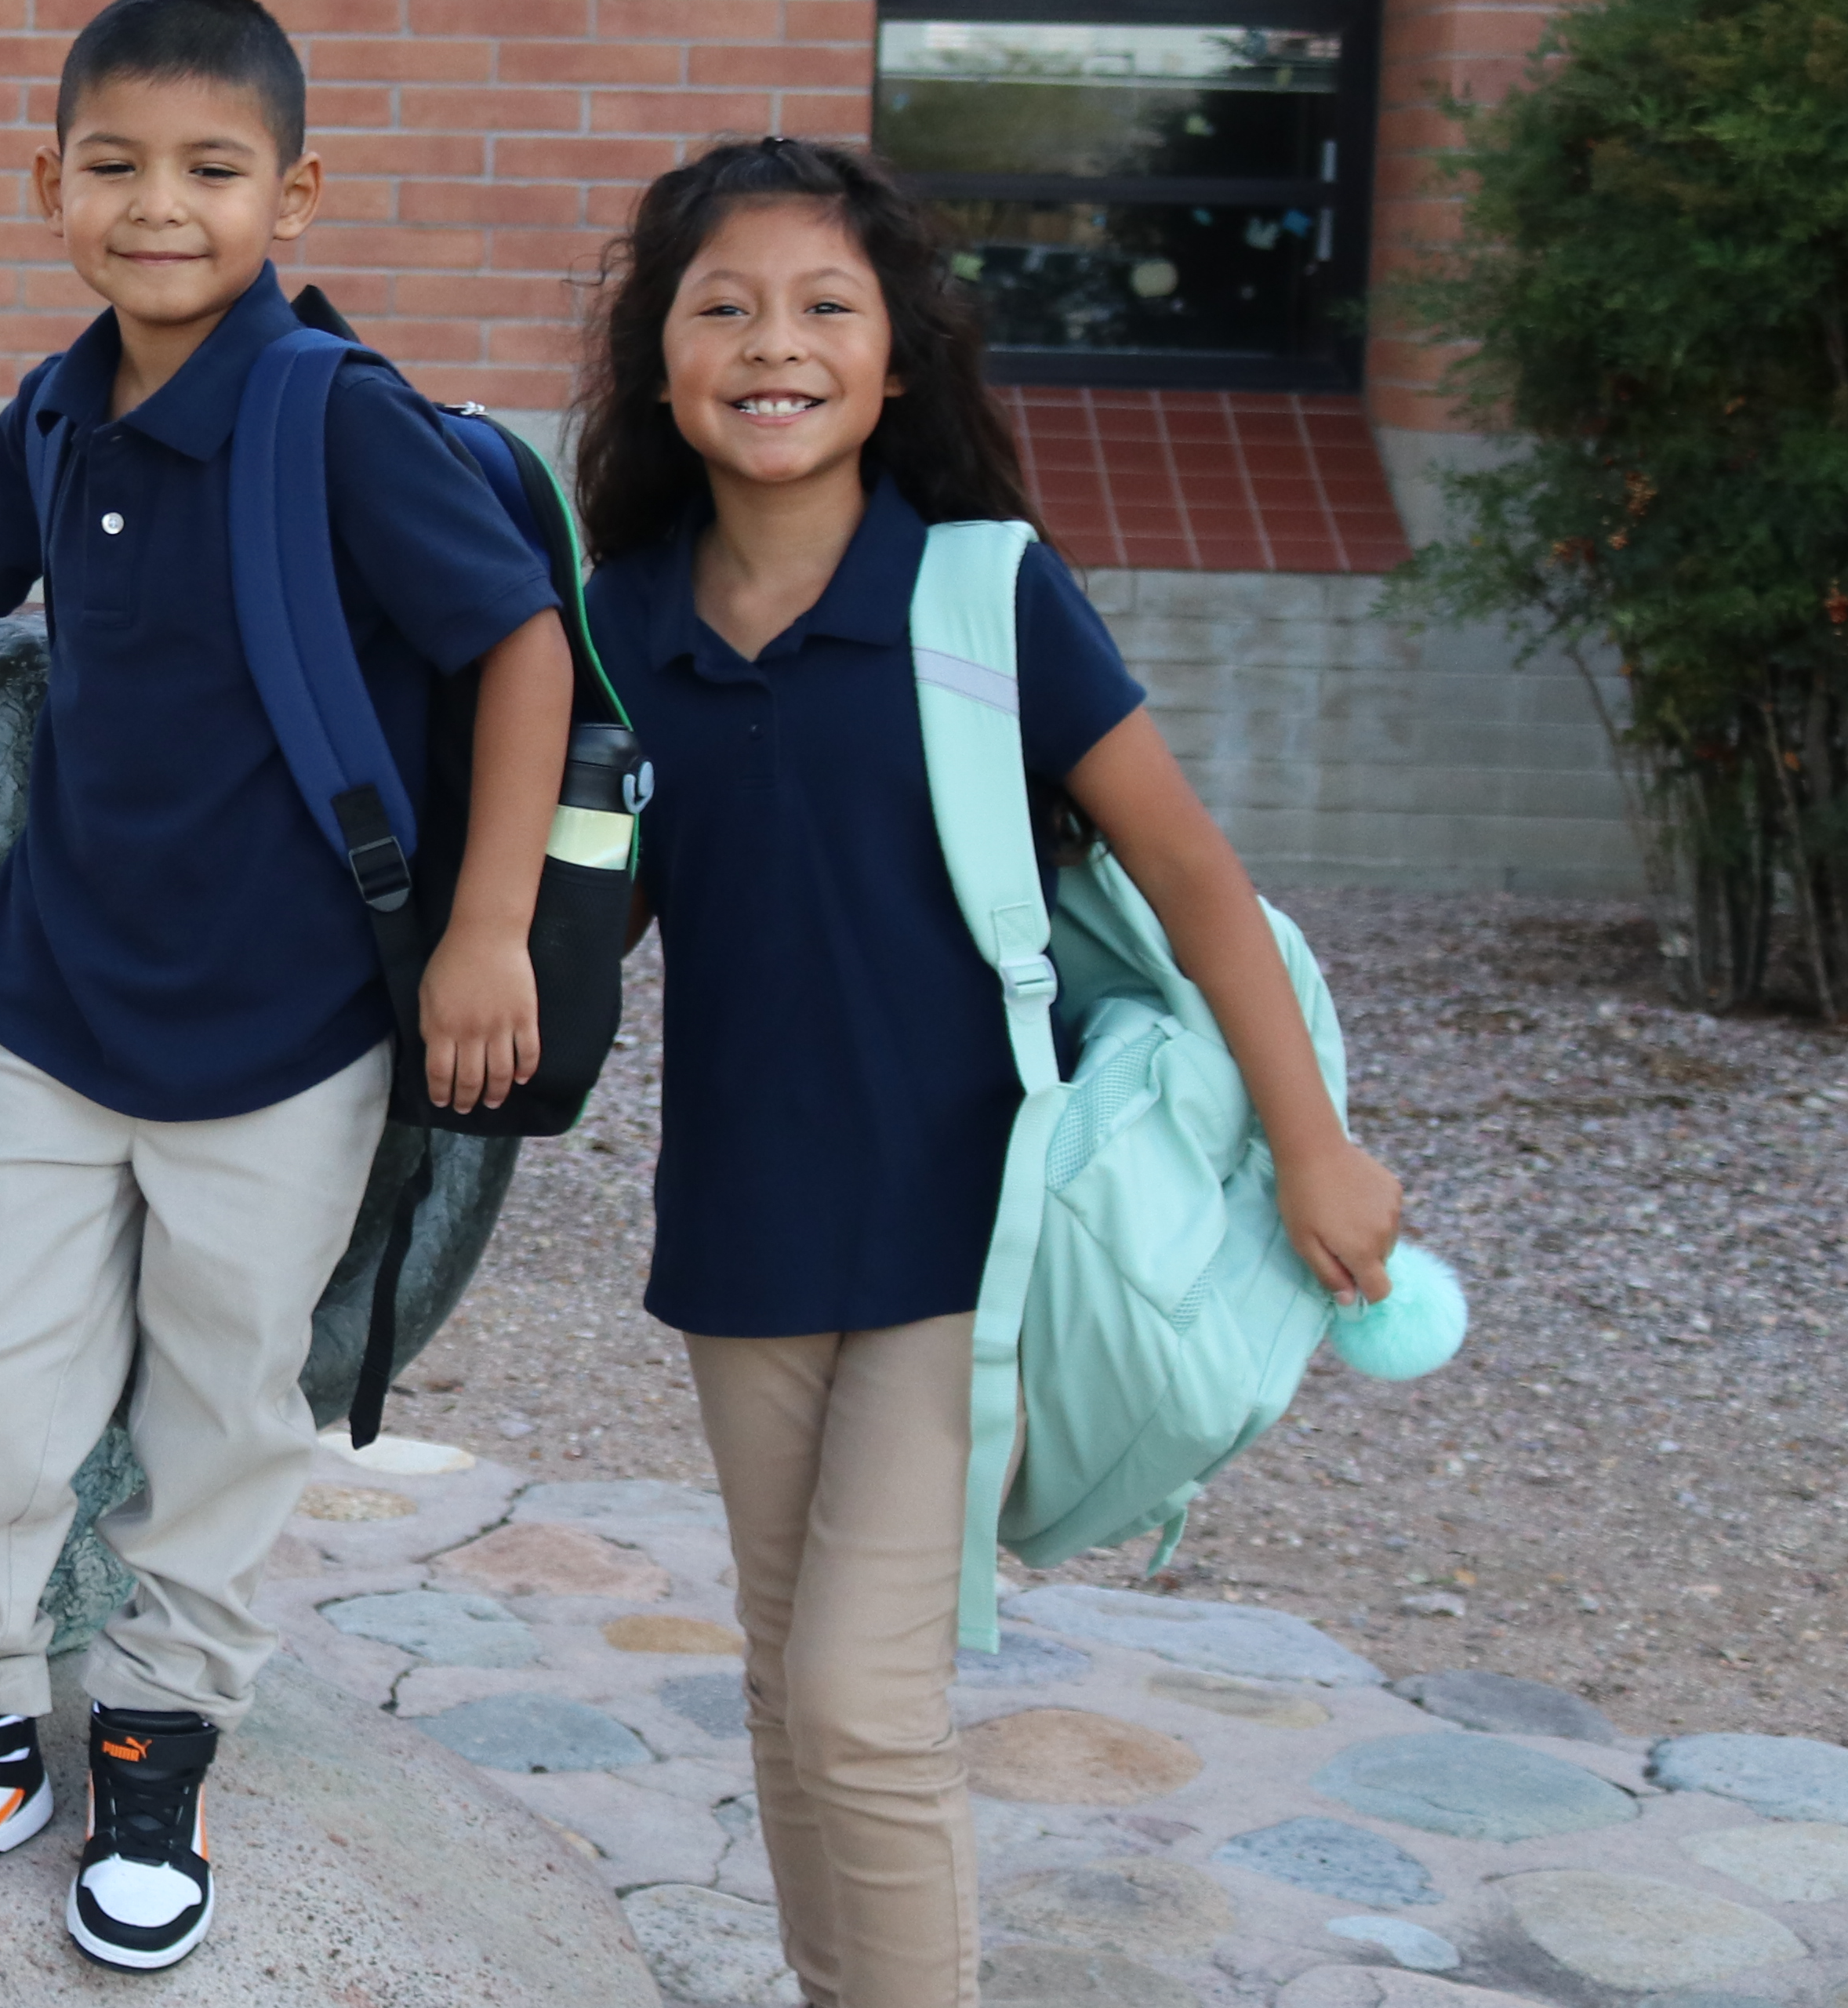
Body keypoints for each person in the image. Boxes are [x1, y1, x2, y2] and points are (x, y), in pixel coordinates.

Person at [0, 0, 575, 1971]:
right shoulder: (64, 406)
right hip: (62, 1015)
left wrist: (486, 927)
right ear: (46, 179)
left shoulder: (340, 423)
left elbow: (517, 646)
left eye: (213, 171)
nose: (162, 206)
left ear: (294, 195)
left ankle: (159, 1737)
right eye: (118, 166)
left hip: (292, 1032)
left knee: (228, 1402)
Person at [574, 138, 1403, 2007]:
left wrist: (1316, 1147)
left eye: (823, 309)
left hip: (981, 1230)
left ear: (895, 363)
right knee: (793, 1685)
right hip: (744, 1229)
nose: (771, 344)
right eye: (723, 307)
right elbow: (586, 924)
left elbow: (1193, 876)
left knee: (862, 1701)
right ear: (656, 357)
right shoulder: (620, 620)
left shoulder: (984, 592)